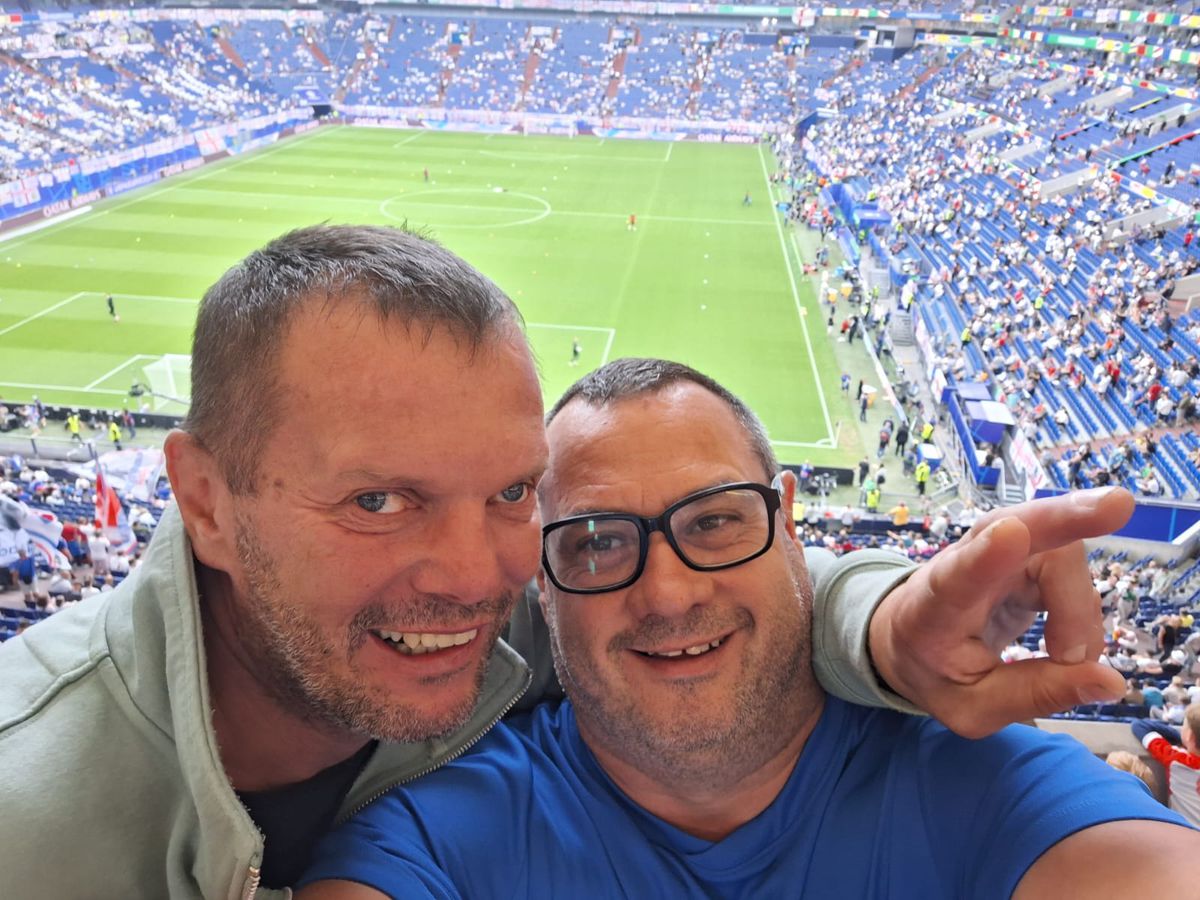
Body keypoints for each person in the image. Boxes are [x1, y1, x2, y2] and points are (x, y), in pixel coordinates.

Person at [2, 226, 1109, 899]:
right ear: (203, 500)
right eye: (378, 501)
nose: (477, 576)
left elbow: (688, 591)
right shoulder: (26, 819)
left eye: (509, 492)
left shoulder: (527, 594)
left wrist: (878, 625)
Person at [296, 359, 1194, 900]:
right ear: (540, 572)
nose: (670, 593)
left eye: (716, 520)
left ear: (790, 520)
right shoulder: (428, 839)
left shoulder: (997, 788)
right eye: (601, 542)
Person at [1133, 707, 1200, 827]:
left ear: (1189, 735)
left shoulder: (1178, 759)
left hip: (1188, 835)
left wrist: (1179, 736)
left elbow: (1139, 726)